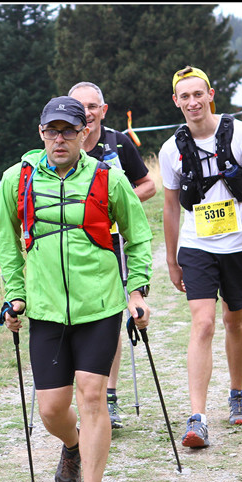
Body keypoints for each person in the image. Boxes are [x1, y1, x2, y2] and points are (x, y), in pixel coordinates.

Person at [0, 96, 152, 482]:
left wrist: (136, 291)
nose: (60, 139)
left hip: (98, 306)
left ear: (84, 133)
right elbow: (8, 244)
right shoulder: (17, 180)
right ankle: (73, 445)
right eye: (53, 131)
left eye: (69, 131)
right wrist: (15, 296)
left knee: (92, 396)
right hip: (46, 309)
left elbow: (139, 235)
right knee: (51, 409)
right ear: (41, 133)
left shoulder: (107, 177)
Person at [158, 66, 242, 448]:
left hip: (240, 244)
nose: (192, 102)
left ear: (211, 95)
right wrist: (172, 260)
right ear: (176, 101)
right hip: (197, 246)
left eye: (198, 94)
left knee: (234, 320)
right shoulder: (171, 149)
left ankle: (237, 392)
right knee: (203, 324)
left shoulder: (241, 134)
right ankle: (197, 418)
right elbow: (170, 208)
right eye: (185, 96)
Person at [69, 82, 157, 430]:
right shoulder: (61, 143)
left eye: (93, 106)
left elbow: (148, 185)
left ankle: (109, 397)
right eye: (80, 107)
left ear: (103, 110)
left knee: (109, 317)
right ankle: (81, 396)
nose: (87, 113)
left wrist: (118, 202)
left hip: (114, 241)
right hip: (72, 244)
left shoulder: (118, 143)